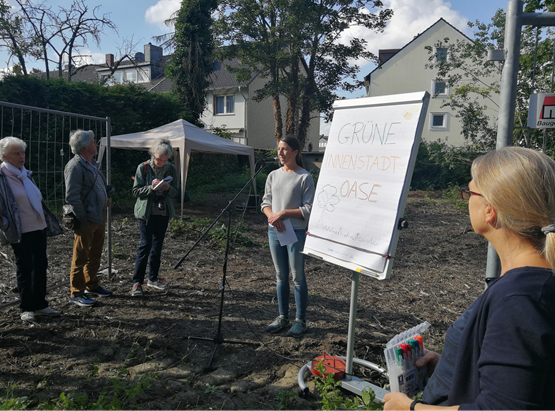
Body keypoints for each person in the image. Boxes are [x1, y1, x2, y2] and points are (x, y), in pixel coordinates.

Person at [383, 147, 555, 411]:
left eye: (470, 192)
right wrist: (454, 367)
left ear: (490, 210)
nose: (467, 199)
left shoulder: (519, 300)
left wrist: (410, 408)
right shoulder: (533, 285)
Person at [0, 137, 63, 322]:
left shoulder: (25, 174)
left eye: (22, 153)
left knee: (41, 265)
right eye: (16, 153)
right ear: (4, 156)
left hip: (38, 227)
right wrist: (4, 223)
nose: (21, 157)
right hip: (20, 231)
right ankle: (26, 307)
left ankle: (40, 304)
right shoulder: (2, 176)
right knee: (25, 267)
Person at [261, 136, 315, 337]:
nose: (281, 153)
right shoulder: (273, 175)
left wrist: (283, 213)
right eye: (279, 149)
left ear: (295, 152)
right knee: (281, 276)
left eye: (285, 149)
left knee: (297, 277)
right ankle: (282, 316)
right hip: (275, 231)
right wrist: (272, 217)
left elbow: (308, 209)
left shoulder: (304, 177)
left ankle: (300, 320)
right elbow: (265, 202)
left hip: (296, 232)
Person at [64, 129, 114, 307]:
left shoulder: (92, 164)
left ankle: (91, 285)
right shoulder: (75, 166)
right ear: (85, 146)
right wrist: (83, 217)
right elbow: (72, 196)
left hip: (99, 216)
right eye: (93, 141)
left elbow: (101, 185)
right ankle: (76, 293)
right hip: (86, 219)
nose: (96, 144)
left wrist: (108, 193)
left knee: (95, 253)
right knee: (81, 256)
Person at [130, 138, 178, 297]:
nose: (160, 163)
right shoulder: (142, 168)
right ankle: (137, 283)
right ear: (152, 154)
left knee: (157, 247)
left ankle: (153, 278)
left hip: (163, 213)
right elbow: (135, 191)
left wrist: (167, 188)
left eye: (164, 160)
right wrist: (150, 188)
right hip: (146, 213)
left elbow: (177, 192)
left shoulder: (171, 169)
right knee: (145, 245)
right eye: (158, 159)